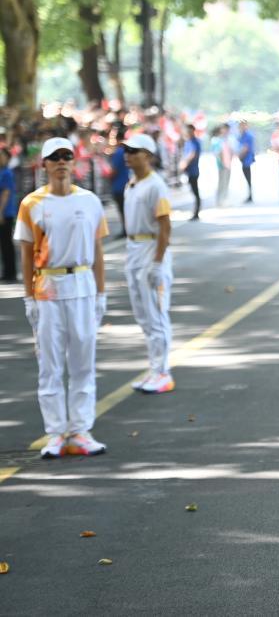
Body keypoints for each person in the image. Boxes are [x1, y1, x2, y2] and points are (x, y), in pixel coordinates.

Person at [15, 137, 109, 458]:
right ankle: (56, 433)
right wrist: (28, 297)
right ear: (43, 165)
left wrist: (101, 293)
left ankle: (80, 430)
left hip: (82, 284)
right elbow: (26, 253)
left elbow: (98, 250)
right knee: (50, 364)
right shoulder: (32, 204)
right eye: (54, 157)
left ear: (74, 161)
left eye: (66, 156)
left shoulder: (90, 201)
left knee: (83, 361)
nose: (60, 162)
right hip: (48, 288)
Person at [123, 133, 175, 394]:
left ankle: (163, 372)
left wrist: (157, 262)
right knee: (143, 316)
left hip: (151, 249)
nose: (128, 155)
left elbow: (165, 226)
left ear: (148, 155)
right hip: (133, 249)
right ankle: (154, 369)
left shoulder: (156, 185)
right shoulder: (132, 184)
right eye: (127, 150)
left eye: (134, 151)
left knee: (156, 314)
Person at [0, 147, 18, 282]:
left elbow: (6, 193)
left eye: (2, 155)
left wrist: (0, 212)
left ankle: (11, 273)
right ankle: (7, 272)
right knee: (4, 244)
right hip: (3, 213)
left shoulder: (7, 173)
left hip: (5, 213)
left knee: (6, 244)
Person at [108, 128, 129, 238]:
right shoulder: (126, 151)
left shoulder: (118, 152)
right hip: (126, 184)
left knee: (123, 209)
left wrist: (108, 176)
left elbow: (114, 170)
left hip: (119, 185)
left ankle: (126, 229)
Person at [180, 124, 201, 221]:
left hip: (193, 171)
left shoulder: (195, 142)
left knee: (195, 192)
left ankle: (196, 212)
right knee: (193, 192)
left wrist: (184, 164)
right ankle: (195, 212)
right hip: (189, 171)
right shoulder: (188, 142)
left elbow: (192, 155)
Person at [211, 124, 233, 207]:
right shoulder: (216, 140)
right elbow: (217, 153)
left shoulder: (225, 139)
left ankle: (224, 200)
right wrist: (222, 163)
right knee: (222, 183)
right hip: (222, 165)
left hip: (227, 164)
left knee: (225, 183)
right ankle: (220, 201)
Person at [237, 120, 256, 203]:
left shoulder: (248, 136)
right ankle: (250, 195)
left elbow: (245, 148)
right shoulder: (242, 135)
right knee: (247, 178)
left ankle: (250, 196)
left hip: (247, 159)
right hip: (244, 159)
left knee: (248, 177)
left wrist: (239, 156)